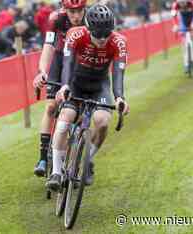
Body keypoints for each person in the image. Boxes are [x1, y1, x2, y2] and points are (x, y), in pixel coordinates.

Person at [45, 4, 130, 190]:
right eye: (97, 35)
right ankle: (56, 173)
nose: (101, 39)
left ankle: (87, 160)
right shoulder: (76, 34)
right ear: (88, 28)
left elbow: (118, 73)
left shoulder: (119, 42)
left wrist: (119, 98)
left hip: (100, 85)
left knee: (103, 122)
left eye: (106, 35)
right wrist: (65, 85)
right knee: (64, 121)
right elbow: (67, 63)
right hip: (76, 82)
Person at [32, 0, 87, 177]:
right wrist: (41, 72)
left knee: (80, 110)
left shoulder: (90, 20)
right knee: (50, 107)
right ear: (65, 10)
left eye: (79, 11)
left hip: (80, 62)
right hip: (60, 58)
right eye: (72, 12)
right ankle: (42, 158)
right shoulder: (56, 19)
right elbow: (48, 47)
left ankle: (76, 158)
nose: (76, 16)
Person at [171, 0, 193, 71]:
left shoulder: (192, 3)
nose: (182, 4)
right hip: (183, 20)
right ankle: (186, 64)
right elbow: (174, 16)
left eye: (183, 2)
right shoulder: (175, 5)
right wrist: (175, 25)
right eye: (180, 3)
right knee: (183, 41)